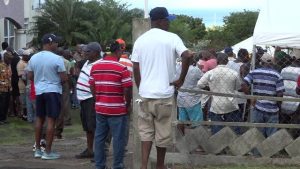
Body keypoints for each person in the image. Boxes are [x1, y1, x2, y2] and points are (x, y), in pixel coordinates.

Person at [131, 7, 193, 169]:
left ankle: (144, 166)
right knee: (162, 133)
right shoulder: (172, 38)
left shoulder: (140, 40)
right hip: (164, 94)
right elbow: (187, 55)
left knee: (145, 133)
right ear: (159, 21)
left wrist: (141, 86)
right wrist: (180, 79)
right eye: (167, 20)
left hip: (145, 95)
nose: (168, 23)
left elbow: (136, 67)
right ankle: (160, 165)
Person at [90, 41, 132, 169]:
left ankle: (99, 165)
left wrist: (97, 98)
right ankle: (118, 165)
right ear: (118, 51)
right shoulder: (121, 68)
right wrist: (127, 104)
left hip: (101, 107)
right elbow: (128, 88)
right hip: (117, 109)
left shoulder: (95, 66)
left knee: (99, 137)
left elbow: (91, 84)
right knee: (118, 139)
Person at [27, 33, 67, 160]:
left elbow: (30, 76)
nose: (57, 44)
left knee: (39, 119)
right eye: (55, 42)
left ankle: (38, 149)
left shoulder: (34, 58)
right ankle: (48, 152)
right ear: (50, 43)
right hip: (53, 91)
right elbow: (64, 78)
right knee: (51, 120)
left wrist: (39, 81)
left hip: (39, 91)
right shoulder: (57, 58)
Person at [242, 53, 284, 137]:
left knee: (257, 135)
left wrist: (250, 98)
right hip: (272, 109)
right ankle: (270, 150)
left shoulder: (254, 72)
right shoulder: (277, 75)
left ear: (261, 62)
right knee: (272, 136)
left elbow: (243, 84)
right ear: (272, 63)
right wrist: (278, 106)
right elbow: (280, 94)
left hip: (257, 107)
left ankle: (257, 150)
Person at [198, 53, 242, 134]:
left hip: (216, 105)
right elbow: (238, 87)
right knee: (233, 131)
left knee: (216, 131)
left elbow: (200, 84)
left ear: (217, 61)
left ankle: (217, 144)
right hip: (231, 104)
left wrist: (210, 89)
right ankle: (233, 143)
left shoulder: (211, 73)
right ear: (227, 61)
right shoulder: (233, 73)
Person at [75, 42, 102, 159]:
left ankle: (98, 152)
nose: (84, 53)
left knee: (93, 126)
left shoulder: (99, 64)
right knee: (87, 126)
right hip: (83, 98)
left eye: (87, 51)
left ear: (95, 53)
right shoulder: (88, 61)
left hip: (91, 98)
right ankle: (90, 149)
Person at [176, 55, 203, 135]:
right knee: (196, 122)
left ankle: (181, 138)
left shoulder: (177, 69)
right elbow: (203, 80)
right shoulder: (195, 70)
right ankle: (196, 140)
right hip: (193, 99)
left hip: (181, 98)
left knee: (181, 120)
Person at [0, 52, 12, 124]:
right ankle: (1, 119)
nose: (10, 61)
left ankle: (4, 118)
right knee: (2, 104)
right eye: (9, 59)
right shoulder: (1, 66)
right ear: (5, 59)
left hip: (8, 88)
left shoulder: (8, 66)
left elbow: (9, 77)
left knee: (6, 104)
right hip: (1, 88)